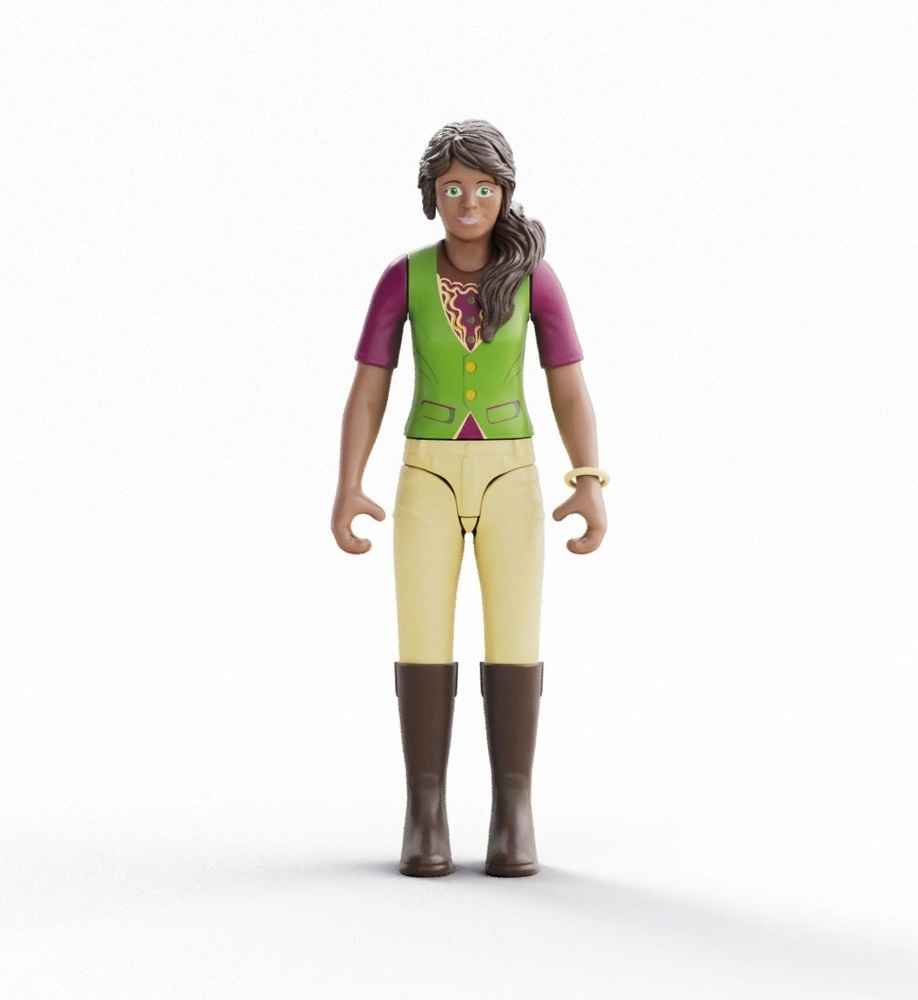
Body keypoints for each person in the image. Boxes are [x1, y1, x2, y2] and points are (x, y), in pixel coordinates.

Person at [332, 120, 607, 877]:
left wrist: (588, 479)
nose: (468, 202)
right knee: (423, 635)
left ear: (505, 193)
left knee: (515, 634)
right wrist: (349, 484)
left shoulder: (536, 279)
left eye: (484, 187)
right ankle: (425, 812)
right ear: (431, 194)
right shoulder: (404, 278)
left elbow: (569, 386)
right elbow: (368, 389)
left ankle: (513, 811)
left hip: (512, 473)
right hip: (426, 471)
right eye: (452, 187)